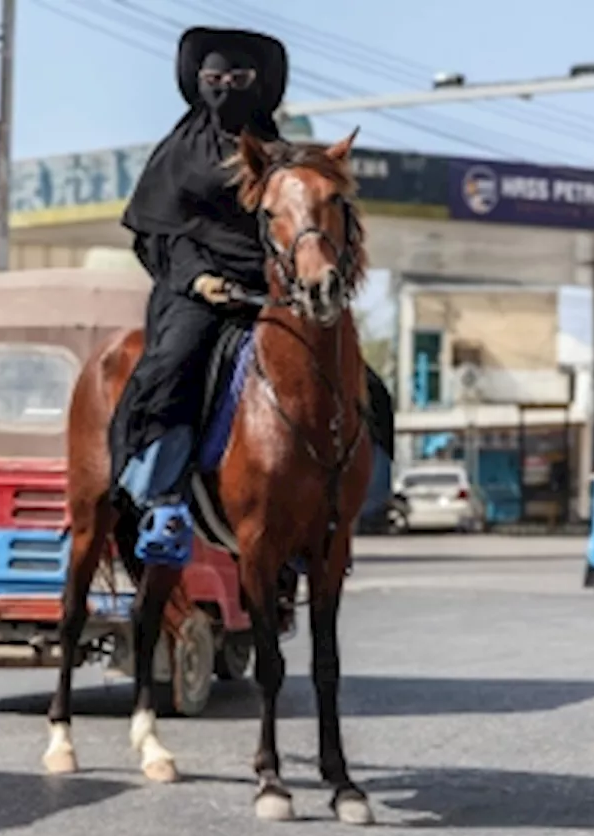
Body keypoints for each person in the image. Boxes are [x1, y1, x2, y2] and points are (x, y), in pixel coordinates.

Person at [110, 26, 395, 567]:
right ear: (196, 84)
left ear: (261, 86)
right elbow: (156, 234)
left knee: (364, 383)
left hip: (275, 294)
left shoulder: (285, 159)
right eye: (213, 79)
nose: (225, 88)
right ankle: (161, 496)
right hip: (197, 293)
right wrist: (198, 279)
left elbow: (317, 222)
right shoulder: (176, 156)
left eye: (238, 79)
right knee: (175, 364)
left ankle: (358, 497)